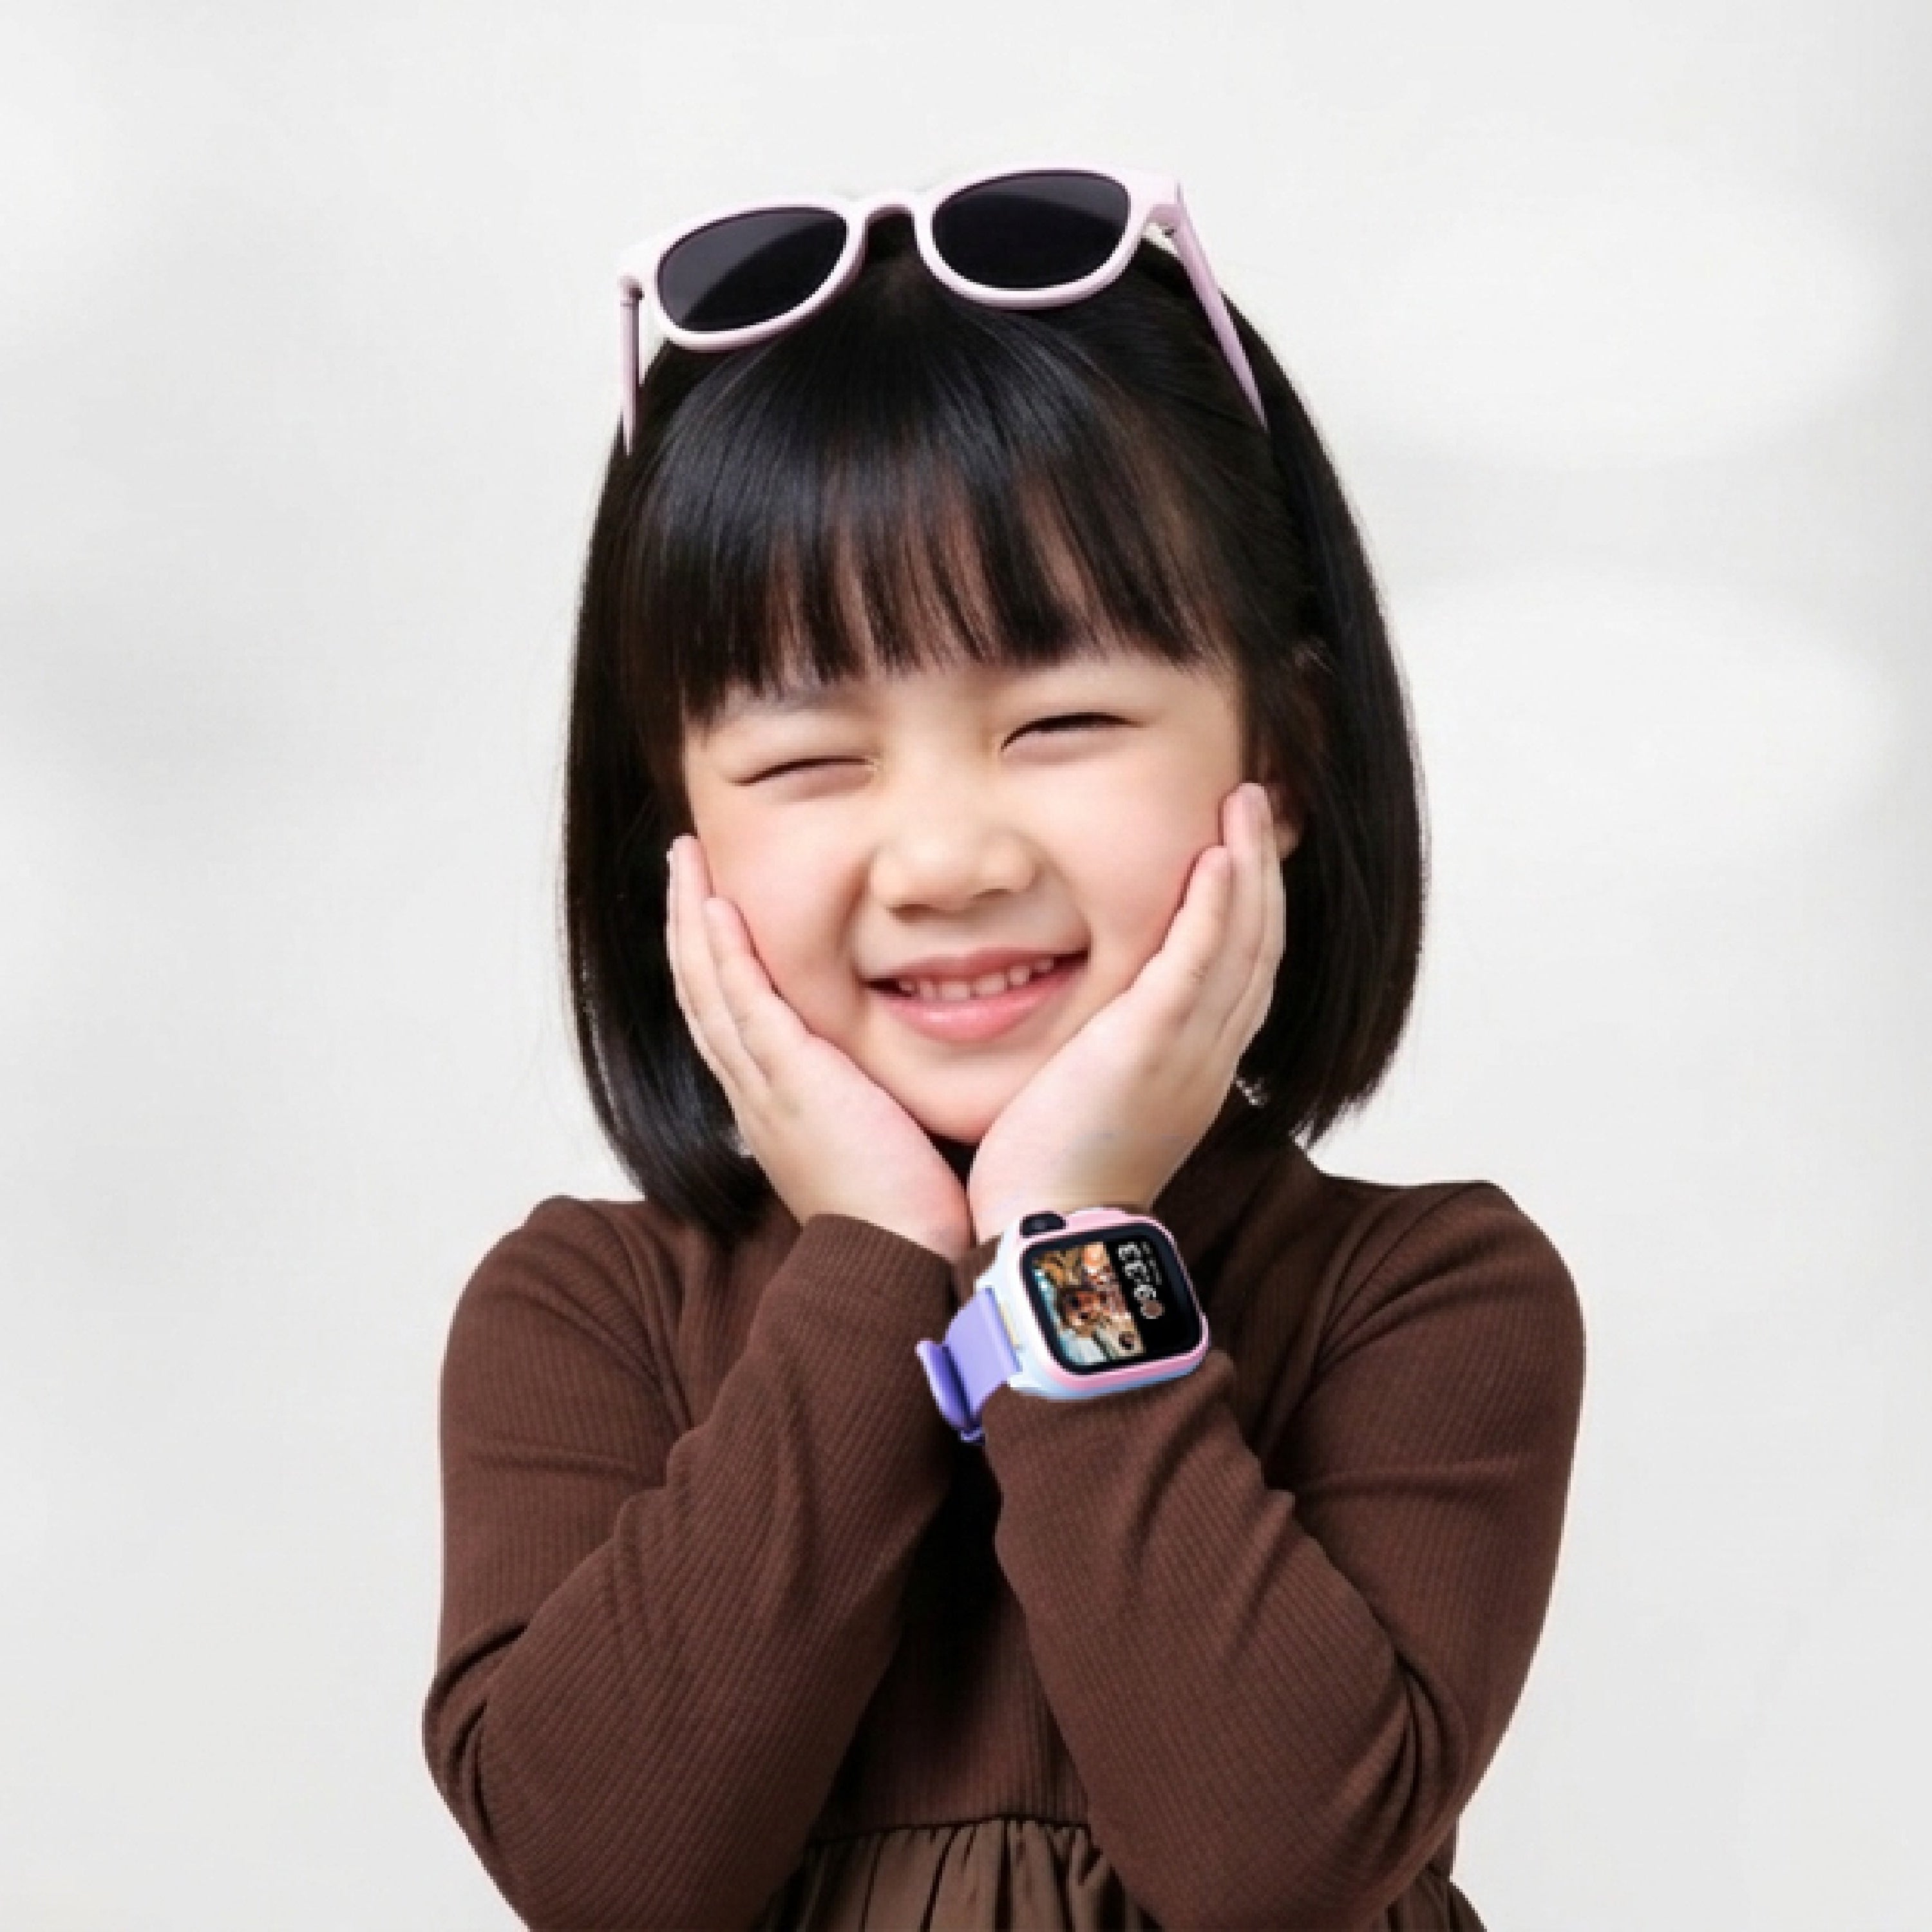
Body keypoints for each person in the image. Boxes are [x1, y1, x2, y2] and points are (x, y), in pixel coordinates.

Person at [422, 166, 1588, 1931]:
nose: (948, 860)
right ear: (674, 827)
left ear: (1284, 753)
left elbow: (1274, 1877)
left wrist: (1066, 1238)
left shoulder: (1424, 1297)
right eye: (809, 757)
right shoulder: (590, 1314)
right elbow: (610, 1878)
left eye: (1062, 721)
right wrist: (874, 1260)